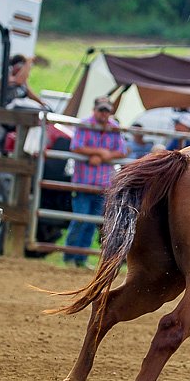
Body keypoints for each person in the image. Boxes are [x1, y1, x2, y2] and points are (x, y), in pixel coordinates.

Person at [63, 96, 128, 267]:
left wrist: (103, 155)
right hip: (84, 182)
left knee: (92, 222)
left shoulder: (114, 128)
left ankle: (80, 258)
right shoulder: (84, 124)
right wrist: (100, 152)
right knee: (80, 219)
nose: (104, 114)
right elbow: (76, 146)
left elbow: (121, 151)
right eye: (101, 110)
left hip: (102, 184)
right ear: (95, 110)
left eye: (107, 110)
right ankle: (70, 255)